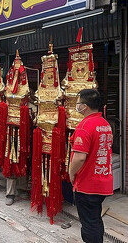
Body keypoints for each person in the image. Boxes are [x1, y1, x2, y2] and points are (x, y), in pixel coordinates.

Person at [69, 89, 113, 243]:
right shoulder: (105, 124)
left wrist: (71, 173)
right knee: (95, 219)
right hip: (102, 181)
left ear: (85, 106)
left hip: (87, 184)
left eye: (78, 103)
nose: (77, 106)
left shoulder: (85, 126)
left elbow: (79, 158)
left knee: (88, 224)